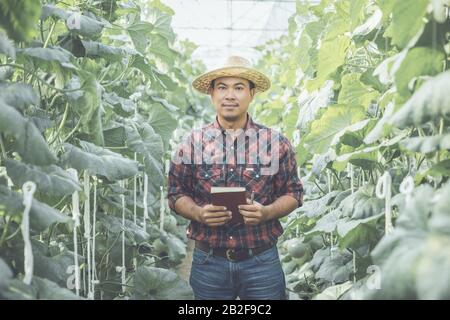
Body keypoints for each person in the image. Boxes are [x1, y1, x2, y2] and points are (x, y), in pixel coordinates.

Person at [168, 55, 304, 300]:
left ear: (252, 94)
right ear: (212, 94)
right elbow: (176, 193)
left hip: (261, 262)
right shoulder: (191, 144)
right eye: (222, 87)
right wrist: (199, 213)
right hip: (209, 263)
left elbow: (293, 193)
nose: (230, 95)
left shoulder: (276, 143)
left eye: (239, 87)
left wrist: (267, 212)